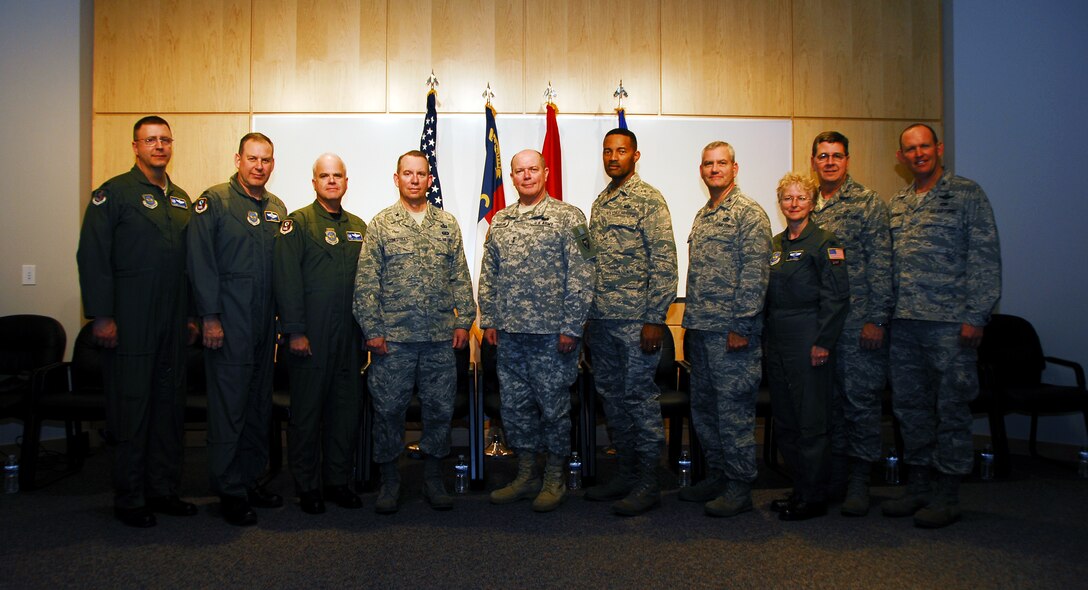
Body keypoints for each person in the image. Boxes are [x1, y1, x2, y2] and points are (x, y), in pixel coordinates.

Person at [77, 116, 198, 528]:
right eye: (151, 140)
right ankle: (129, 497)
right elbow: (92, 258)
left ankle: (163, 490)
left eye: (165, 139)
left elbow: (192, 264)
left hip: (173, 320)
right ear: (135, 146)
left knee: (169, 408)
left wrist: (193, 315)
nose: (159, 146)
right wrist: (102, 316)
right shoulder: (114, 194)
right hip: (130, 320)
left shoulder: (181, 199)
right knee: (133, 408)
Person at [883, 124, 1001, 529]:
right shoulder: (898, 203)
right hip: (905, 324)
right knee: (911, 410)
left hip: (950, 326)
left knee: (950, 408)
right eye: (910, 149)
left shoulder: (967, 194)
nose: (918, 154)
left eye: (924, 147)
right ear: (901, 157)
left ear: (939, 149)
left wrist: (976, 316)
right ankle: (919, 488)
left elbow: (985, 258)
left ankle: (948, 494)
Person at [353, 150, 476, 514]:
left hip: (439, 340)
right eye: (407, 173)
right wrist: (372, 330)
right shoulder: (381, 225)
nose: (414, 179)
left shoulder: (446, 224)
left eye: (421, 174)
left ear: (429, 180)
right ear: (397, 178)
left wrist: (463, 321)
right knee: (389, 411)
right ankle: (390, 481)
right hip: (393, 342)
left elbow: (460, 277)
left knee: (439, 411)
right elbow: (366, 283)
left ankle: (433, 479)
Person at [479, 149, 595, 512]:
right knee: (515, 408)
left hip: (552, 337)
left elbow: (585, 273)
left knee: (554, 407)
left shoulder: (569, 217)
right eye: (519, 171)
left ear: (545, 173)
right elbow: (488, 274)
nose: (526, 176)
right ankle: (527, 473)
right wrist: (491, 320)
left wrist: (572, 327)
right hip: (511, 335)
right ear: (511, 177)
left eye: (533, 169)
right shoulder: (501, 221)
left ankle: (554, 477)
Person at [188, 133, 288, 526]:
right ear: (238, 159)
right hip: (228, 323)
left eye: (266, 160)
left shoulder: (277, 208)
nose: (259, 166)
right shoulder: (214, 202)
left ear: (272, 164)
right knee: (230, 409)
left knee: (258, 406)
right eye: (252, 158)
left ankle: (251, 480)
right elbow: (199, 263)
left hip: (264, 324)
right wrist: (208, 317)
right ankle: (229, 490)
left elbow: (280, 271)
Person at [584, 128, 678, 516]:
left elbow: (665, 264)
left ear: (635, 156)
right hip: (603, 323)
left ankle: (648, 482)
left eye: (621, 151)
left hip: (638, 322)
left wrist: (655, 318)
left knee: (640, 401)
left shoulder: (648, 199)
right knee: (614, 401)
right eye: (607, 151)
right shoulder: (600, 203)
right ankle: (625, 472)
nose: (613, 157)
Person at [679, 141, 771, 517]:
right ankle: (718, 475)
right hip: (702, 331)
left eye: (721, 163)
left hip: (732, 334)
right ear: (701, 170)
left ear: (735, 168)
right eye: (708, 164)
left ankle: (739, 486)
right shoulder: (704, 215)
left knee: (733, 413)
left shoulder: (748, 214)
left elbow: (755, 275)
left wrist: (742, 325)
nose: (714, 169)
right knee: (705, 411)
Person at [273, 153, 367, 515]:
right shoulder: (297, 224)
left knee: (345, 413)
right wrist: (294, 331)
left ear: (346, 181)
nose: (331, 181)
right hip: (309, 338)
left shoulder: (359, 227)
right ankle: (307, 485)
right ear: (314, 182)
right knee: (308, 414)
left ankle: (337, 482)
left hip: (349, 338)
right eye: (324, 176)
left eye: (337, 175)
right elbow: (286, 281)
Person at [808, 131, 893, 516]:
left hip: (859, 323)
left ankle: (860, 481)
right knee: (831, 405)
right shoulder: (808, 204)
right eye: (823, 156)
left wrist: (877, 319)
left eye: (837, 156)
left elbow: (881, 263)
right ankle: (838, 477)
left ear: (847, 160)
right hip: (821, 325)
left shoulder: (867, 203)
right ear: (814, 161)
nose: (829, 162)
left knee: (860, 402)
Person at [764, 173, 850, 521]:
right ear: (780, 203)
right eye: (787, 198)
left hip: (808, 336)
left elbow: (837, 297)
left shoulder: (826, 242)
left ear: (812, 203)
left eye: (801, 198)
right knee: (786, 420)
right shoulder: (774, 245)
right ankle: (801, 487)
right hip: (778, 338)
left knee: (812, 421)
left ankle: (815, 496)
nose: (794, 203)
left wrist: (823, 342)